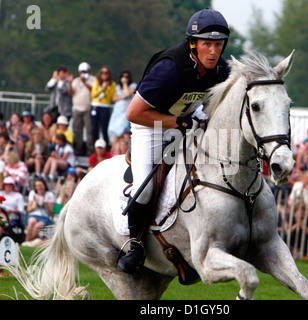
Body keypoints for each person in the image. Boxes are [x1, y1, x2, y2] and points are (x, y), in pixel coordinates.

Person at [116, 8, 231, 273]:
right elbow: (133, 112)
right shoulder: (169, 68)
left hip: (188, 118)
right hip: (151, 125)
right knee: (145, 188)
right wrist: (178, 123)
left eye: (218, 44)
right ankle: (135, 245)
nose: (213, 51)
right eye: (207, 44)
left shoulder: (221, 69)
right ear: (193, 44)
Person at [68, 62, 96, 156]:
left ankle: (90, 152)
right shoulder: (76, 81)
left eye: (85, 71)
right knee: (77, 131)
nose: (83, 73)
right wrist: (69, 82)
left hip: (88, 109)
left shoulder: (93, 80)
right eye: (82, 71)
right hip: (77, 109)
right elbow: (71, 92)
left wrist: (85, 82)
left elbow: (94, 91)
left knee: (89, 132)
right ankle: (78, 151)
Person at [108, 69, 137, 153]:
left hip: (126, 110)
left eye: (127, 77)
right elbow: (114, 98)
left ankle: (122, 150)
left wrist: (125, 84)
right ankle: (114, 150)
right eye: (123, 77)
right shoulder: (117, 87)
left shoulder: (132, 86)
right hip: (118, 111)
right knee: (115, 131)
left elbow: (128, 93)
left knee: (122, 130)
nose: (125, 78)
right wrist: (122, 98)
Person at [23, 177, 55, 246]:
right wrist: (36, 206)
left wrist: (46, 203)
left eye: (40, 185)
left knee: (37, 226)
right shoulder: (32, 193)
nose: (39, 188)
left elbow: (50, 212)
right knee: (31, 222)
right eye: (37, 186)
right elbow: (28, 209)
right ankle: (27, 241)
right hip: (34, 214)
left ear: (44, 186)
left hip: (44, 217)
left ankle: (28, 242)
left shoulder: (49, 195)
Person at [90, 66, 116, 147]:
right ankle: (95, 147)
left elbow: (110, 98)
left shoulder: (112, 84)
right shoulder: (97, 82)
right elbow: (93, 94)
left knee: (104, 128)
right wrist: (102, 89)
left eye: (106, 73)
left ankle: (106, 146)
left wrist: (106, 88)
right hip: (95, 106)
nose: (104, 75)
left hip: (105, 106)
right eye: (102, 73)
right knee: (94, 129)